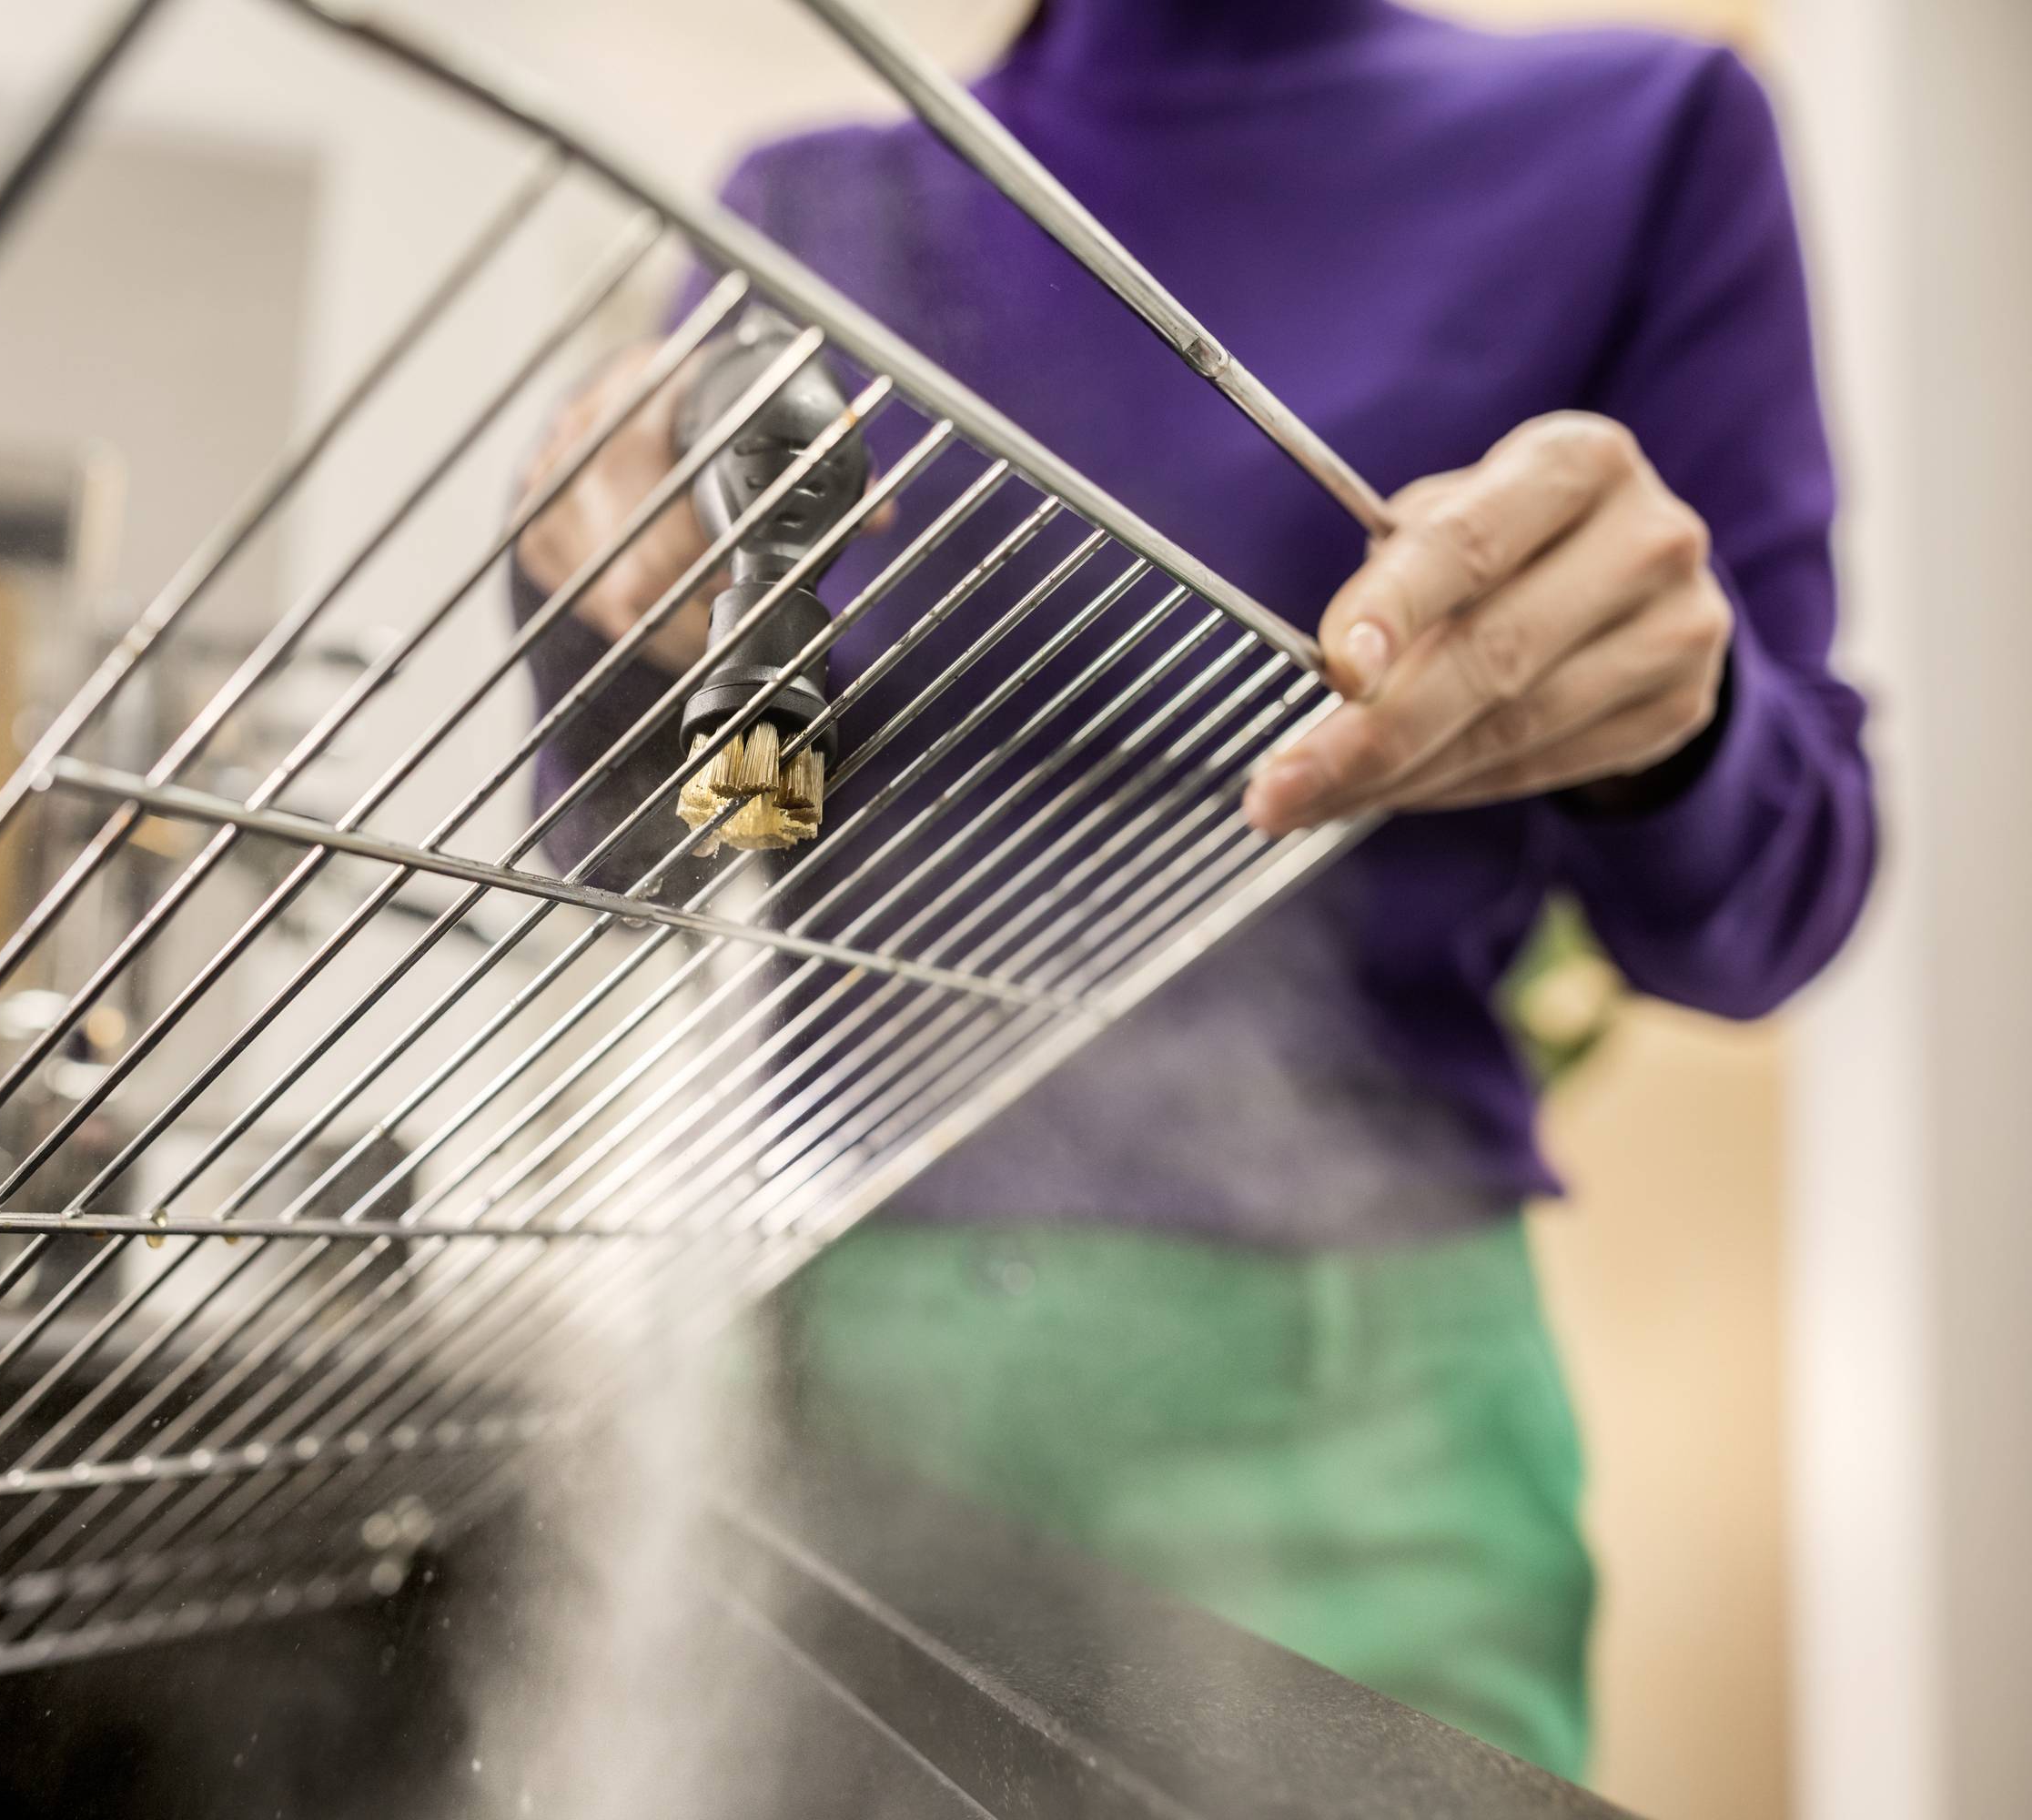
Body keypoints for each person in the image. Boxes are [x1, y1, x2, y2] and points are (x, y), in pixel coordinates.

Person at [510, 0, 1875, 1783]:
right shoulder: (811, 211)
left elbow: (1769, 901)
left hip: (1344, 1409)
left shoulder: (1644, 137)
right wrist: (604, 589)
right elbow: (663, 832)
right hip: (827, 1379)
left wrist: (1674, 716)